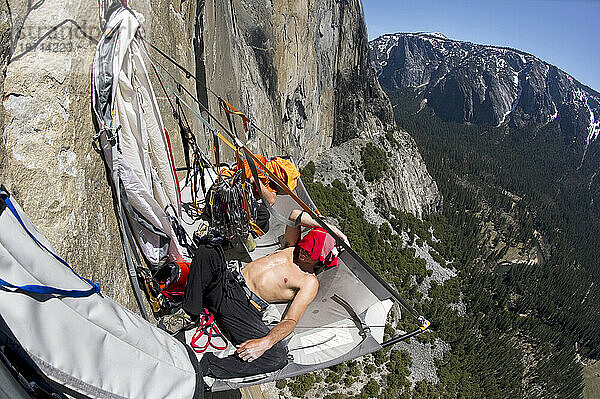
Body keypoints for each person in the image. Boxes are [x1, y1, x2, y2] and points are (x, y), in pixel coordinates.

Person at [182, 209, 347, 379]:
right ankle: (189, 314)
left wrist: (265, 343)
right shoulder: (291, 247)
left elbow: (290, 321)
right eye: (305, 247)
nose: (303, 252)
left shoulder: (309, 281)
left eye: (309, 253)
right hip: (228, 282)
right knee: (209, 248)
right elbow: (294, 215)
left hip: (243, 307)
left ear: (320, 259)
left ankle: (208, 366)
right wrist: (329, 228)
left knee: (278, 356)